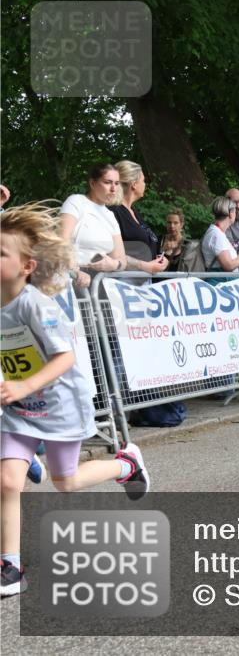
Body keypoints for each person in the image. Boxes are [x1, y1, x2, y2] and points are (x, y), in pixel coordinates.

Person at [0, 204, 150, 598]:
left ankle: (125, 464)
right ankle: (11, 566)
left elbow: (64, 358)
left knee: (66, 482)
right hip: (18, 410)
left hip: (59, 405)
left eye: (1, 252)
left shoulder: (35, 305)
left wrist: (22, 385)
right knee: (7, 481)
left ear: (27, 266)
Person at [60, 164, 162, 288]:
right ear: (92, 183)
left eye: (117, 183)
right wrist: (75, 271)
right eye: (108, 182)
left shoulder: (110, 215)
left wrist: (113, 265)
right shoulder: (76, 202)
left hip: (100, 285)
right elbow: (61, 242)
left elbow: (121, 259)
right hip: (71, 282)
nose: (113, 189)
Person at [108, 160, 168, 279]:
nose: (145, 184)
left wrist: (163, 260)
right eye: (143, 180)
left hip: (143, 284)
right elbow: (111, 253)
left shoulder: (135, 213)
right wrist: (144, 266)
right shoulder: (113, 212)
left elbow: (151, 245)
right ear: (134, 184)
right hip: (122, 284)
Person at [201, 196, 239, 277]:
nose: (236, 213)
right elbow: (229, 265)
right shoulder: (216, 234)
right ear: (230, 213)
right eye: (235, 211)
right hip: (220, 283)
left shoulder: (219, 233)